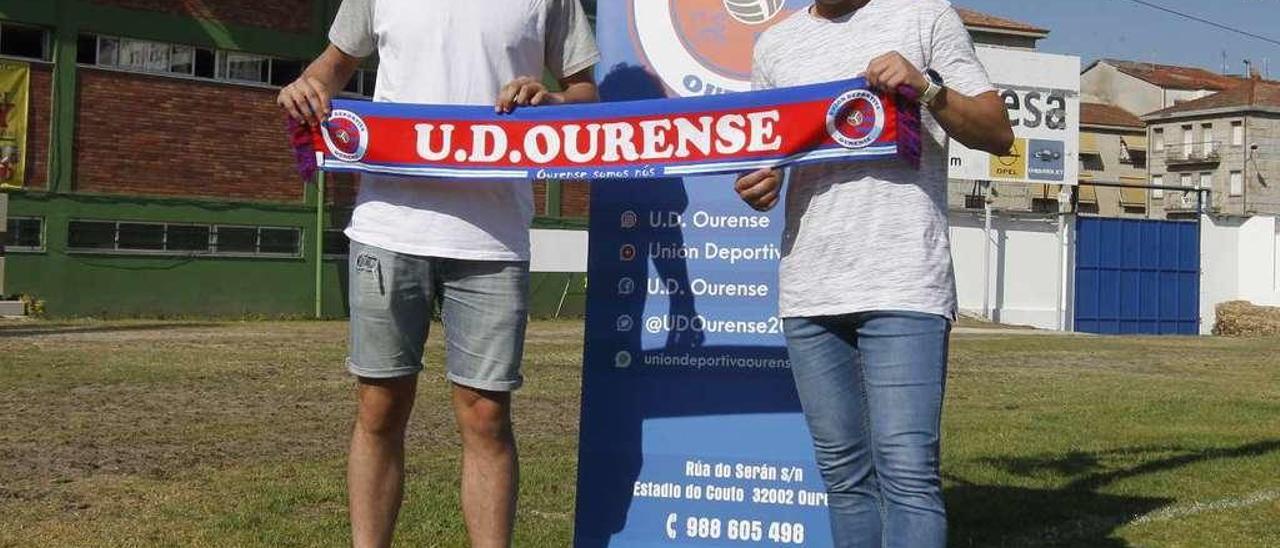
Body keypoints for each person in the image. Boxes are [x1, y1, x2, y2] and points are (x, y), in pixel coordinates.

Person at [275, 1, 599, 546]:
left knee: (486, 415)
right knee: (379, 406)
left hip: (493, 234)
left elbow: (586, 92)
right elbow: (332, 65)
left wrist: (556, 101)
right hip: (389, 225)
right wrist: (305, 86)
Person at [734, 1, 1014, 546]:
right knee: (843, 479)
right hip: (809, 287)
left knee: (907, 475)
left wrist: (926, 89)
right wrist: (757, 185)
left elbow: (998, 134)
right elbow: (763, 157)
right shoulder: (775, 45)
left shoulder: (924, 17)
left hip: (904, 280)